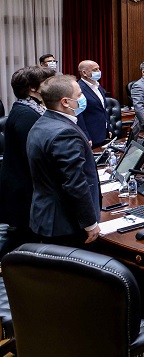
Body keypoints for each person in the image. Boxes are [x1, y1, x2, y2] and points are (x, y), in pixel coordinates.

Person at [26, 74, 101, 248]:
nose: (83, 98)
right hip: (66, 223)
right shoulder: (64, 133)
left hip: (46, 215)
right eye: (79, 94)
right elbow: (75, 183)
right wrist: (90, 223)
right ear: (65, 102)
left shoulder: (42, 122)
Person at [0, 65, 54, 254]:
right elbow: (33, 153)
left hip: (24, 184)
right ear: (32, 88)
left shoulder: (29, 107)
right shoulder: (26, 114)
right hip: (23, 188)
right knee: (24, 238)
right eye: (45, 82)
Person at [75, 59, 109, 147]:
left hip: (103, 132)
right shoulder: (78, 88)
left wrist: (108, 127)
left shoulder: (97, 86)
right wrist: (85, 136)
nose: (99, 72)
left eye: (99, 69)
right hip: (90, 134)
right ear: (84, 73)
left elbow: (103, 109)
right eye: (95, 70)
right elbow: (79, 115)